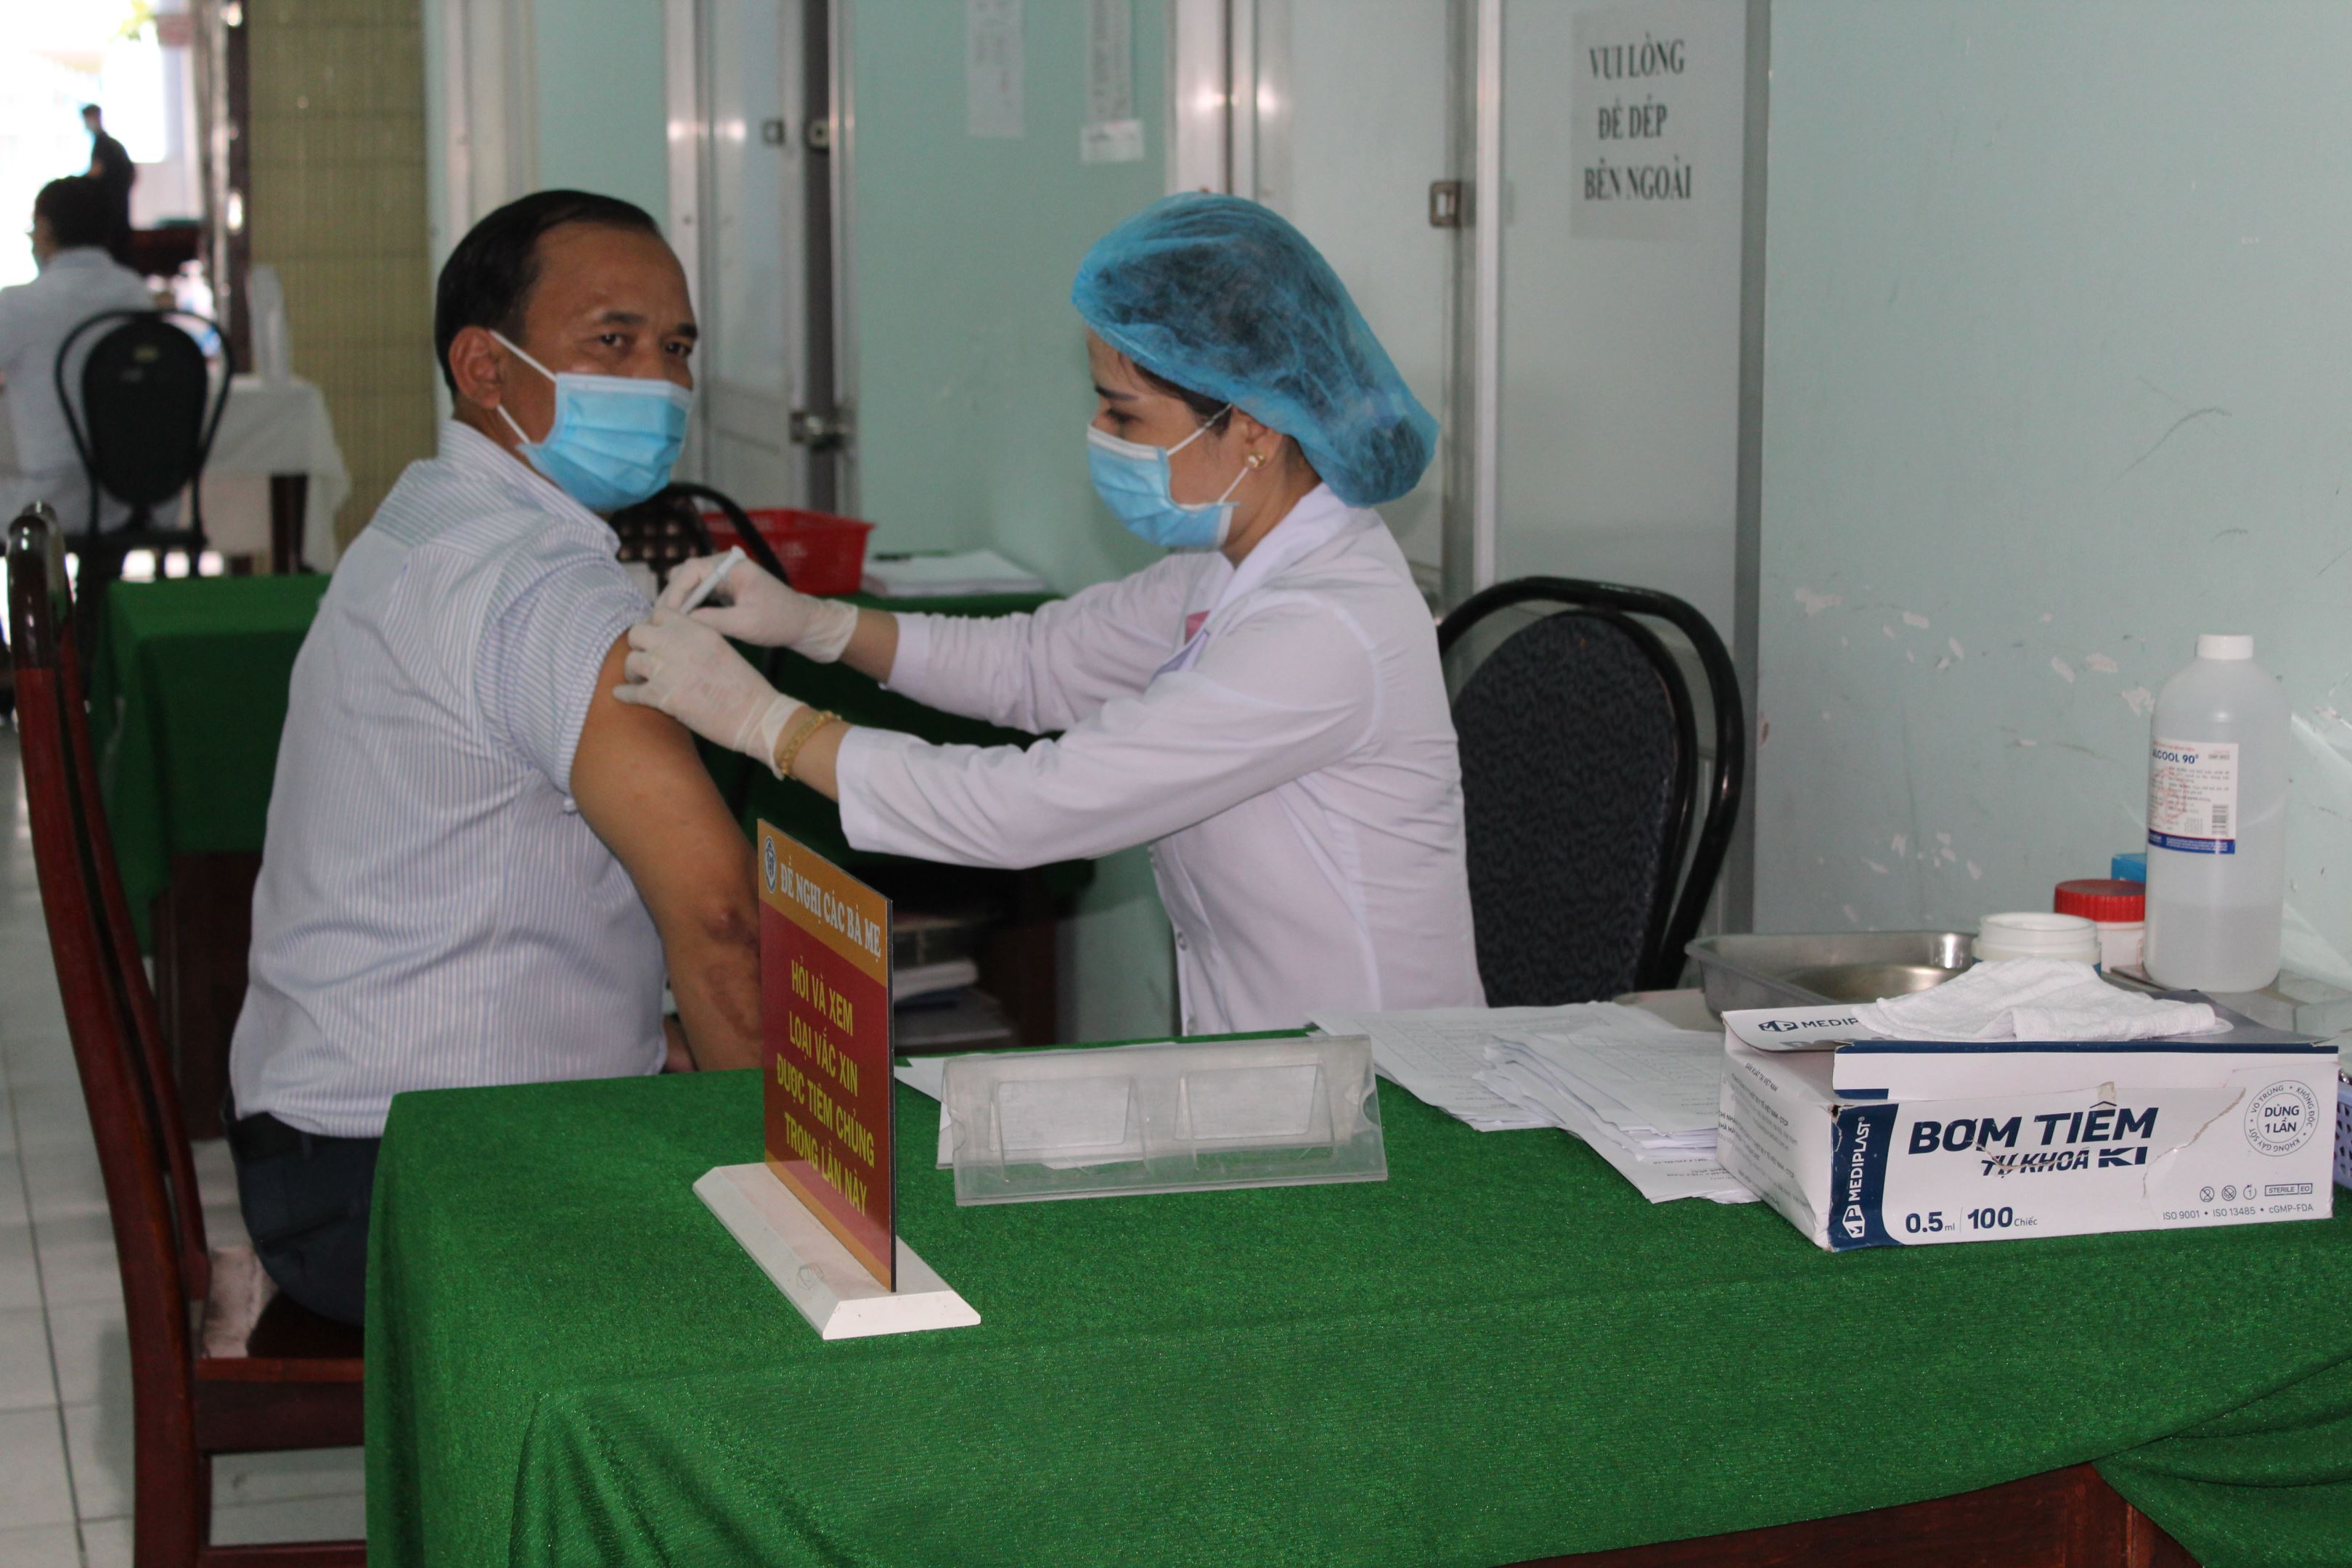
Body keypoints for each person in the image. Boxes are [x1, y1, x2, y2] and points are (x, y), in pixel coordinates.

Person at [622, 193, 1484, 1035]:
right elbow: (1034, 663)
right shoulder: (1227, 567)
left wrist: (768, 725)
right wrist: (820, 625)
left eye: (1124, 413)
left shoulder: (1323, 630)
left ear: (1253, 427)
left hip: (1387, 1086)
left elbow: (1027, 809)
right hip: (1280, 1066)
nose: (1099, 432)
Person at [226, 190, 761, 1326]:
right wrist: (802, 1176)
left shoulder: (427, 524)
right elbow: (718, 916)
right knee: (796, 1288)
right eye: (611, 341)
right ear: (484, 365)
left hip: (329, 1145)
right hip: (422, 1172)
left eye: (676, 349)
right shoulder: (543, 586)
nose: (658, 382)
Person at [0, 176, 163, 539]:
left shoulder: (17, 305)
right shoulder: (136, 296)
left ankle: (39, 575)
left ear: (44, 230)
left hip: (45, 497)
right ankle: (101, 572)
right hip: (133, 494)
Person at [81, 105, 136, 264]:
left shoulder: (103, 144)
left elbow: (95, 173)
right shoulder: (113, 145)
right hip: (119, 214)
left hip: (110, 218)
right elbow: (132, 175)